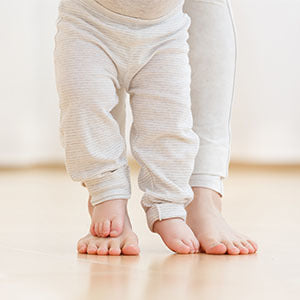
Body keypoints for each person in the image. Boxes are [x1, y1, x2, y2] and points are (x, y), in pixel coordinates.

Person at [54, 0, 258, 255]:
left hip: (164, 30)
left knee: (170, 122)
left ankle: (170, 206)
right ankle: (107, 196)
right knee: (87, 107)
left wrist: (168, 203)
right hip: (89, 23)